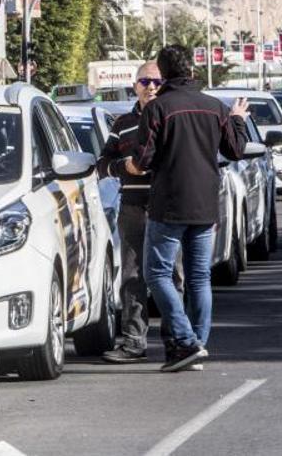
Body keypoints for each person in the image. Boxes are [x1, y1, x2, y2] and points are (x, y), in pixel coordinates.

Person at [130, 45, 249, 372]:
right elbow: (236, 150)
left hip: (168, 205)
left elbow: (142, 160)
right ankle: (196, 344)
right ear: (192, 70)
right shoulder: (215, 108)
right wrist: (237, 120)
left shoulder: (157, 109)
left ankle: (186, 341)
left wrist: (128, 164)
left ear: (164, 73)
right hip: (205, 204)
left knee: (157, 273)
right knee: (199, 278)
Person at [97, 63, 164, 365]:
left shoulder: (171, 117)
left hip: (166, 206)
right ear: (135, 85)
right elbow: (103, 162)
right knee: (132, 275)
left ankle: (177, 340)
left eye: (157, 82)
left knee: (169, 276)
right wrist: (123, 167)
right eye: (145, 81)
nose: (151, 87)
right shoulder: (123, 123)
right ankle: (134, 342)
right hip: (133, 206)